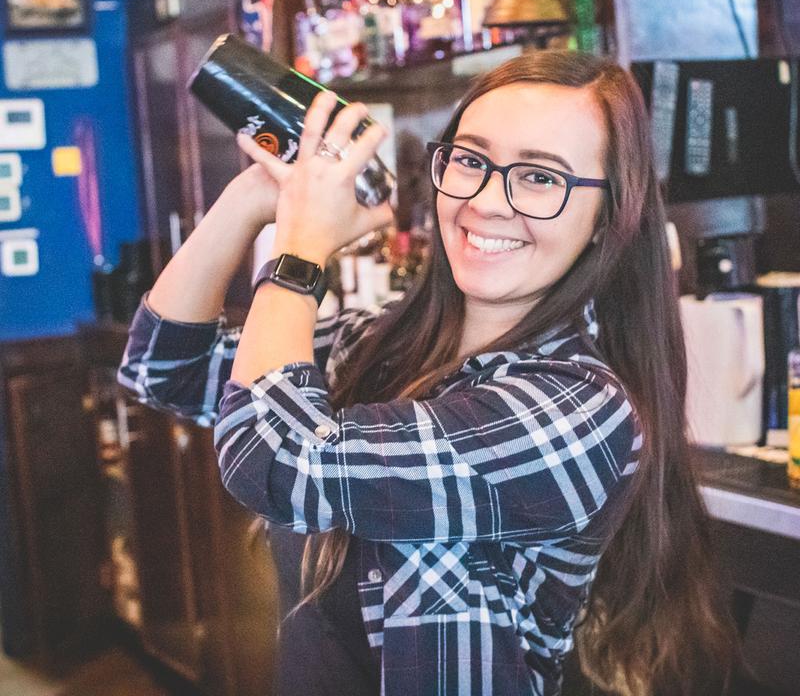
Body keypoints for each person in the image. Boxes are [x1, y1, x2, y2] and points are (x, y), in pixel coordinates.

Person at [118, 50, 739, 696]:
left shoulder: (577, 411)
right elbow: (165, 368)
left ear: (608, 216)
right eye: (470, 160)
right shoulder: (377, 343)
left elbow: (275, 460)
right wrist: (255, 198)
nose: (487, 202)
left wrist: (299, 252)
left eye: (539, 177)